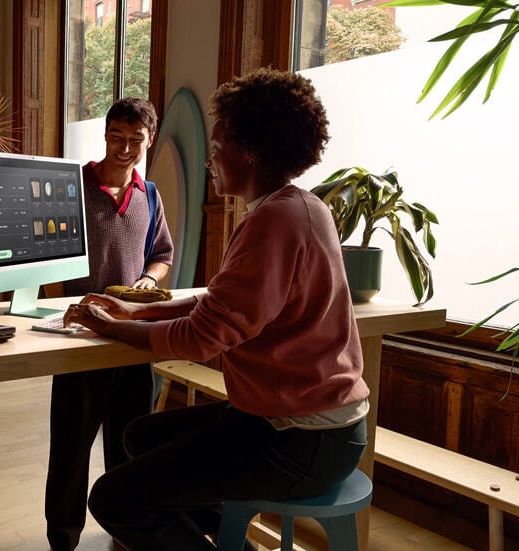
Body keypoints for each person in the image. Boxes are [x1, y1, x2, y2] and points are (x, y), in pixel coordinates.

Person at [66, 69, 370, 550]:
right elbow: (219, 303)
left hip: (298, 440)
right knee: (143, 436)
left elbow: (201, 337)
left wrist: (111, 326)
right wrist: (134, 310)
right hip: (307, 423)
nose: (210, 157)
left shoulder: (273, 221)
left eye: (218, 143)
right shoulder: (299, 206)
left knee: (113, 499)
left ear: (247, 150)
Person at [45, 97, 174, 551]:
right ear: (105, 135)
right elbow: (44, 254)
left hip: (132, 341)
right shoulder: (72, 187)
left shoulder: (150, 195)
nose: (124, 148)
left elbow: (162, 255)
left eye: (135, 140)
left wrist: (146, 280)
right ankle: (63, 538)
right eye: (116, 137)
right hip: (79, 339)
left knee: (128, 444)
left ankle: (125, 532)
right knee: (71, 449)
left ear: (149, 140)